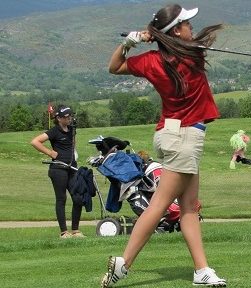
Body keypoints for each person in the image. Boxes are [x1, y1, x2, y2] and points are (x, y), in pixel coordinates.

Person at [100, 4, 226, 287]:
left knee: (190, 207)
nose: (191, 27)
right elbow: (192, 45)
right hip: (183, 138)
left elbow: (114, 66)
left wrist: (129, 43)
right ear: (176, 31)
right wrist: (156, 36)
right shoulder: (191, 55)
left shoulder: (153, 61)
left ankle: (201, 270)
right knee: (158, 205)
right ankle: (123, 264)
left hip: (175, 134)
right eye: (186, 24)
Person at [30, 105, 85, 239]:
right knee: (61, 199)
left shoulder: (72, 129)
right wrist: (50, 152)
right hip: (58, 169)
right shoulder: (54, 131)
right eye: (66, 117)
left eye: (70, 116)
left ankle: (76, 230)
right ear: (59, 118)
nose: (69, 119)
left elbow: (73, 144)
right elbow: (35, 141)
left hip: (72, 167)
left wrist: (73, 155)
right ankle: (64, 232)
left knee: (78, 197)